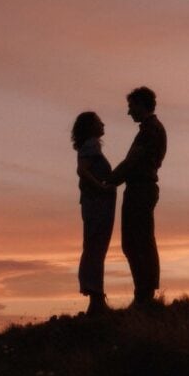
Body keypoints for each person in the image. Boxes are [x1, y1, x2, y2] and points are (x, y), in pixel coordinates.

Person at [110, 86, 166, 306]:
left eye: (131, 106)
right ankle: (144, 292)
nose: (128, 112)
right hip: (140, 188)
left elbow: (131, 162)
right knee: (138, 241)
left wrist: (108, 180)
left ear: (142, 104)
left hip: (141, 189)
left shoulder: (150, 130)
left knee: (136, 241)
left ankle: (144, 294)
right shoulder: (151, 129)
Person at [71, 111, 117, 315]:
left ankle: (96, 298)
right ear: (91, 126)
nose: (103, 124)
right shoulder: (92, 144)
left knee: (94, 247)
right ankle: (96, 299)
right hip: (97, 204)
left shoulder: (89, 145)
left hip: (95, 203)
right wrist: (101, 187)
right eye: (99, 121)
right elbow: (82, 170)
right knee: (96, 247)